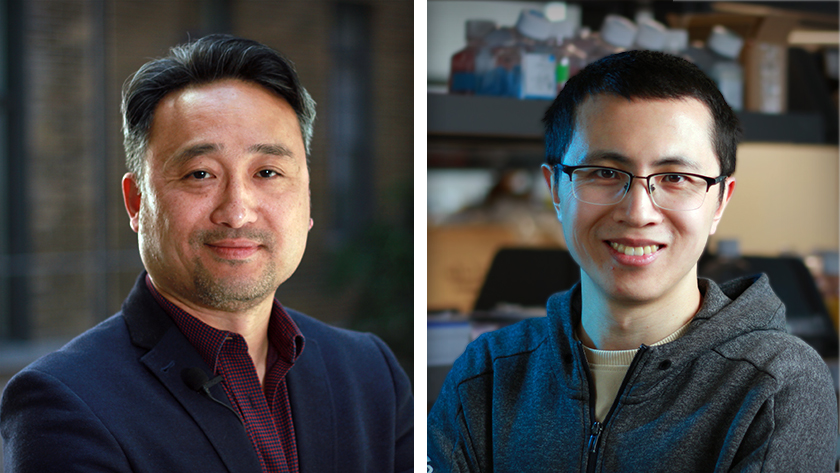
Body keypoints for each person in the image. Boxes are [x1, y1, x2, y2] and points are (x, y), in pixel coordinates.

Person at [1, 35, 413, 473]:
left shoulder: (370, 373)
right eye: (200, 174)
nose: (237, 212)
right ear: (137, 202)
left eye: (268, 172)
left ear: (307, 197)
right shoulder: (64, 402)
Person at [427, 50, 837, 472]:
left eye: (675, 178)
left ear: (719, 202)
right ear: (555, 191)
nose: (639, 212)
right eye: (605, 172)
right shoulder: (488, 374)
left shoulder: (776, 384)